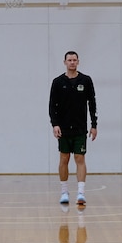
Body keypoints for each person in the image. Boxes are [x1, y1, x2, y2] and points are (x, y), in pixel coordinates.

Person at [49, 51, 97, 210]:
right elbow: (52, 106)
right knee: (64, 158)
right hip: (63, 128)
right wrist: (55, 124)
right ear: (64, 62)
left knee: (80, 158)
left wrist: (94, 124)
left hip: (80, 128)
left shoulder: (86, 80)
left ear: (78, 62)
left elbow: (92, 104)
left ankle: (81, 193)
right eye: (69, 60)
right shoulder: (57, 82)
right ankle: (64, 192)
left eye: (74, 60)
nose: (72, 62)